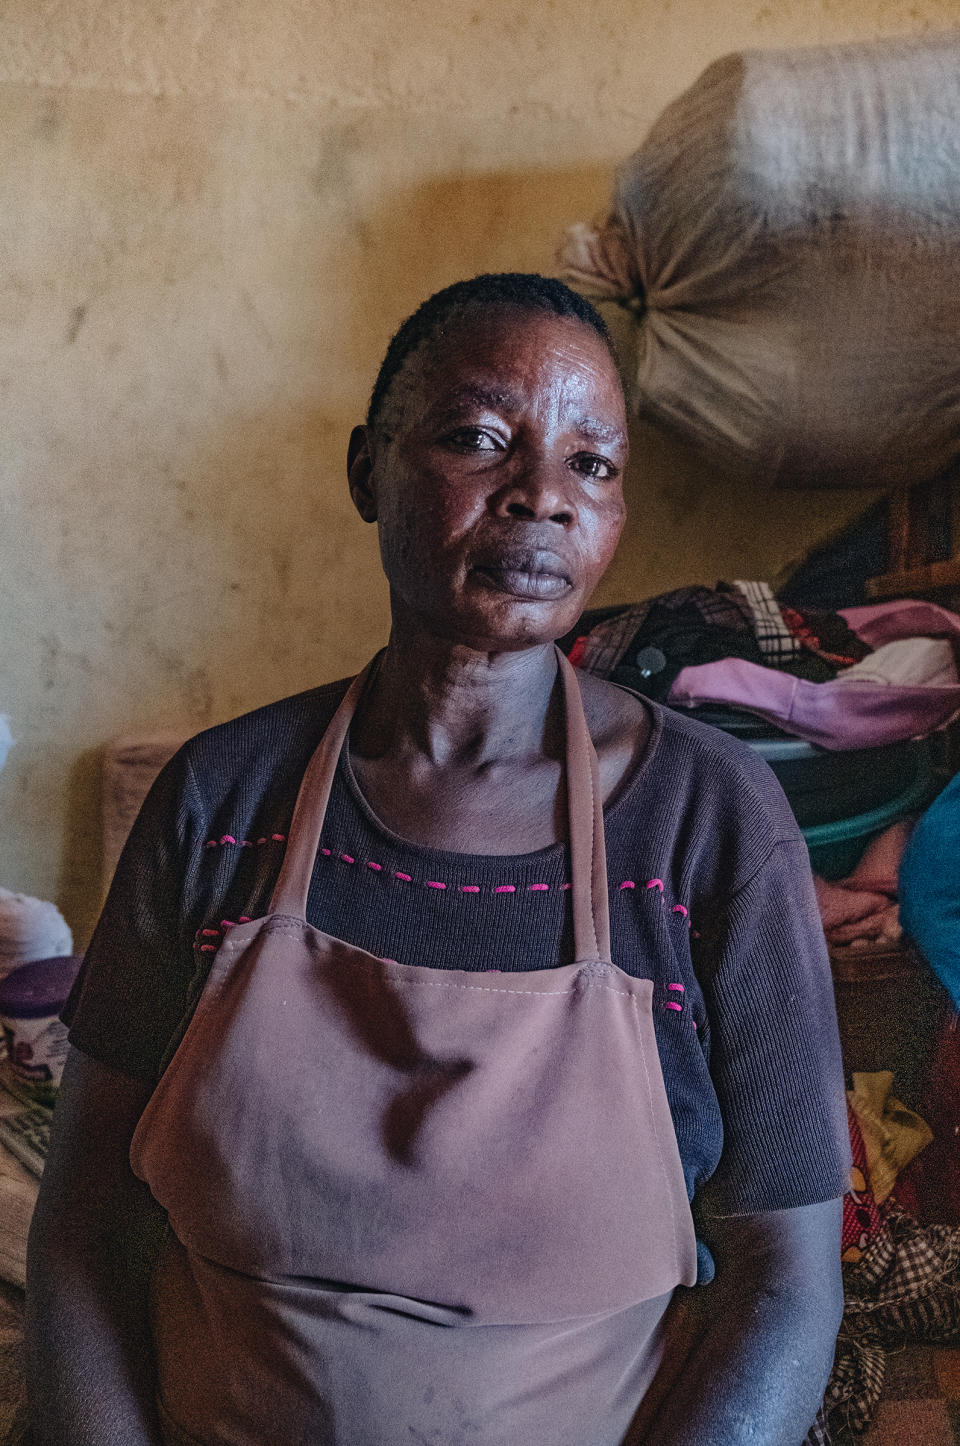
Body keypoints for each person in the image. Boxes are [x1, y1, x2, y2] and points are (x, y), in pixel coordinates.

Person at [27, 273, 850, 1445]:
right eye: (478, 439)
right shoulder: (223, 799)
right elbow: (85, 1223)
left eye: (593, 466)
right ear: (370, 470)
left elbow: (784, 1280)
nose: (543, 500)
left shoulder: (705, 823)